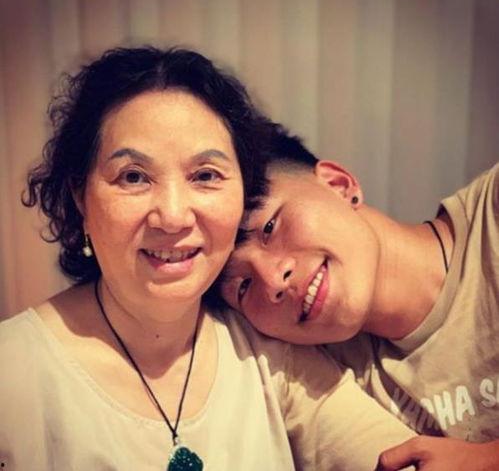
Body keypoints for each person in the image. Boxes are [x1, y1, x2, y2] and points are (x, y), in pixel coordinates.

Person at [0, 46, 417, 470]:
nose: (173, 216)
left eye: (205, 175)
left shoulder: (269, 356)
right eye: (133, 177)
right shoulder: (13, 375)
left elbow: (403, 458)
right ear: (80, 198)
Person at [220, 124, 499, 470]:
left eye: (269, 228)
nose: (273, 280)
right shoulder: (322, 376)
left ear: (338, 185)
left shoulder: (491, 217)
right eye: (243, 286)